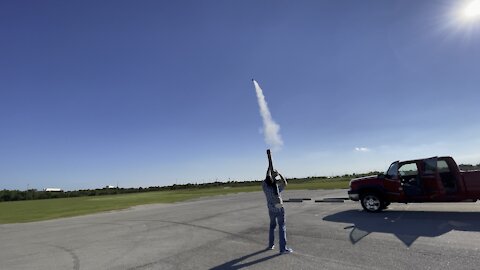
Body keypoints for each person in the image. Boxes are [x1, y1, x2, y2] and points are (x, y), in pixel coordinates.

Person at [262, 168, 293, 254]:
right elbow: (285, 183)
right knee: (282, 227)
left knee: (272, 227)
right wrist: (279, 174)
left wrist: (269, 170)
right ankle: (283, 248)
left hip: (271, 209)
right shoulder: (276, 189)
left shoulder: (265, 187)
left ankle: (271, 245)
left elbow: (267, 178)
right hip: (279, 209)